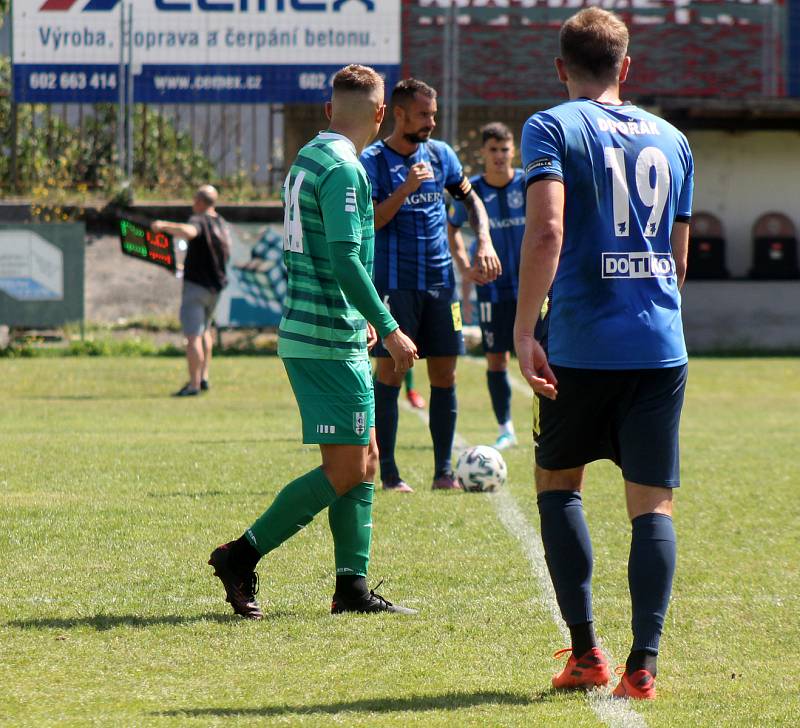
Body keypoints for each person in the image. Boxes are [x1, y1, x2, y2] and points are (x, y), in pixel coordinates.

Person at [514, 8, 693, 700]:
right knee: (653, 505)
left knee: (559, 485)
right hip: (657, 346)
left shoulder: (552, 125)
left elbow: (547, 230)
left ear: (561, 68)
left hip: (581, 347)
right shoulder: (674, 140)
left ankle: (587, 654)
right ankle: (643, 665)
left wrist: (526, 329)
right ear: (626, 67)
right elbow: (677, 260)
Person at [208, 64, 419, 619]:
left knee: (365, 458)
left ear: (329, 111)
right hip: (324, 338)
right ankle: (241, 554)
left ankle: (351, 587)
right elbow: (345, 257)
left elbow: (330, 252)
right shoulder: (346, 169)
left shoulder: (308, 158)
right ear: (380, 114)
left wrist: (365, 318)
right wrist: (391, 326)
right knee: (348, 468)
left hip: (327, 329)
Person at [361, 78, 500, 493]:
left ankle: (443, 472)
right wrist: (406, 189)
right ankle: (388, 473)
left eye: (434, 114)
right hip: (395, 285)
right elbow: (371, 220)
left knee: (446, 374)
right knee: (389, 374)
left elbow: (470, 199)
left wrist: (485, 240)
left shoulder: (441, 155)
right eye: (423, 114)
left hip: (441, 284)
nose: (431, 122)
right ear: (398, 113)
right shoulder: (372, 161)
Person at [448, 121, 537, 451]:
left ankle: (550, 424)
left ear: (513, 151)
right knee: (496, 358)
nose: (499, 156)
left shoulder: (530, 184)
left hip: (533, 289)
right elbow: (452, 227)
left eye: (505, 149)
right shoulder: (471, 191)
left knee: (546, 355)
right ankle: (506, 429)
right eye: (493, 150)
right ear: (483, 153)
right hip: (493, 291)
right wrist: (465, 268)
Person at [152, 185, 231, 397]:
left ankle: (193, 385)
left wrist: (163, 225)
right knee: (205, 331)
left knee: (193, 336)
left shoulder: (198, 220)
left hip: (196, 288)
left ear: (200, 202)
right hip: (215, 289)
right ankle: (204, 376)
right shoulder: (221, 223)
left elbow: (189, 232)